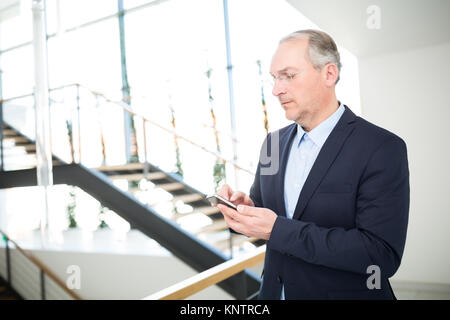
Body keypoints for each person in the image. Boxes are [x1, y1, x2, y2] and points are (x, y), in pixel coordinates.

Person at [214, 29, 410, 300]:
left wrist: (277, 229)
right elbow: (269, 211)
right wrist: (247, 209)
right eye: (274, 78)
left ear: (329, 74)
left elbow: (379, 255)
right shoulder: (272, 143)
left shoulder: (381, 148)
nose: (276, 89)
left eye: (289, 76)